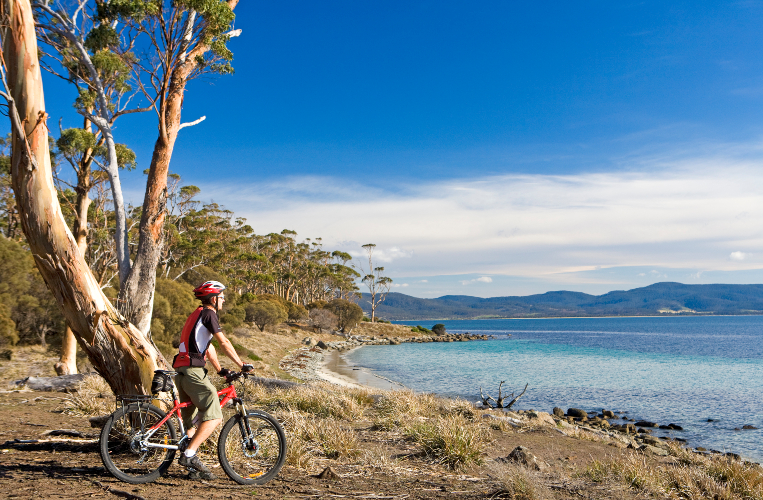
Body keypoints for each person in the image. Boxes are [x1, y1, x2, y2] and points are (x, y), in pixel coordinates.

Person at [172, 280, 252, 480]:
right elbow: (222, 342)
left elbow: (206, 346)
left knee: (191, 423)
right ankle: (189, 456)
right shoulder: (210, 314)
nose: (224, 300)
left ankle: (193, 468)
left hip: (182, 369)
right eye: (222, 297)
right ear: (214, 299)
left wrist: (220, 370)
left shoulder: (196, 314)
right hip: (193, 370)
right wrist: (241, 364)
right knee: (215, 415)